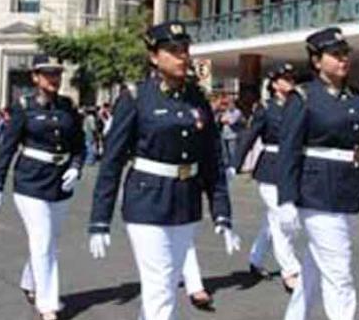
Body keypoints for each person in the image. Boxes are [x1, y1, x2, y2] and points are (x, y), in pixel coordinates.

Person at [88, 21, 240, 320]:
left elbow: (212, 160)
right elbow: (113, 161)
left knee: (167, 284)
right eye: (172, 50)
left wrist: (222, 211)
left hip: (186, 200)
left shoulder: (197, 99)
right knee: (160, 286)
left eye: (185, 49)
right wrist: (99, 218)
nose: (182, 56)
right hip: (147, 200)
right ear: (154, 57)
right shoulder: (135, 97)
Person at [277, 27, 359, 320]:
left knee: (315, 267)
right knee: (339, 272)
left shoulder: (358, 97)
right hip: (316, 192)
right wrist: (286, 199)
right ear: (316, 61)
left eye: (345, 53)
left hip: (348, 190)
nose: (343, 60)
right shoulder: (303, 97)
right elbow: (288, 151)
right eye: (335, 55)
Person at [0, 54, 84, 320]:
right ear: (35, 77)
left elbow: (79, 145)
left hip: (60, 181)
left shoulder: (67, 106)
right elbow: (7, 147)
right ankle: (47, 303)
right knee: (43, 242)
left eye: (57, 73)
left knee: (49, 239)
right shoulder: (23, 106)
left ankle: (29, 282)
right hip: (30, 181)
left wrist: (76, 166)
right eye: (47, 73)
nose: (54, 78)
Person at [229, 62, 302, 293]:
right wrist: (234, 164)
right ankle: (290, 270)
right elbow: (249, 137)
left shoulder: (299, 106)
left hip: (292, 168)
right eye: (285, 78)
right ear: (274, 84)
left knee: (273, 221)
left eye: (292, 78)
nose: (290, 82)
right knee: (282, 219)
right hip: (270, 169)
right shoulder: (266, 109)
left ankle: (256, 259)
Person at [219, 98, 244, 167]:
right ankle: (227, 165)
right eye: (228, 104)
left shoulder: (237, 112)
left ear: (234, 104)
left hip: (232, 135)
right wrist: (226, 119)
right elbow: (221, 120)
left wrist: (226, 120)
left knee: (232, 151)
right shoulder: (226, 111)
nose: (229, 106)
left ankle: (234, 166)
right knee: (225, 152)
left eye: (230, 104)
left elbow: (232, 122)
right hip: (225, 134)